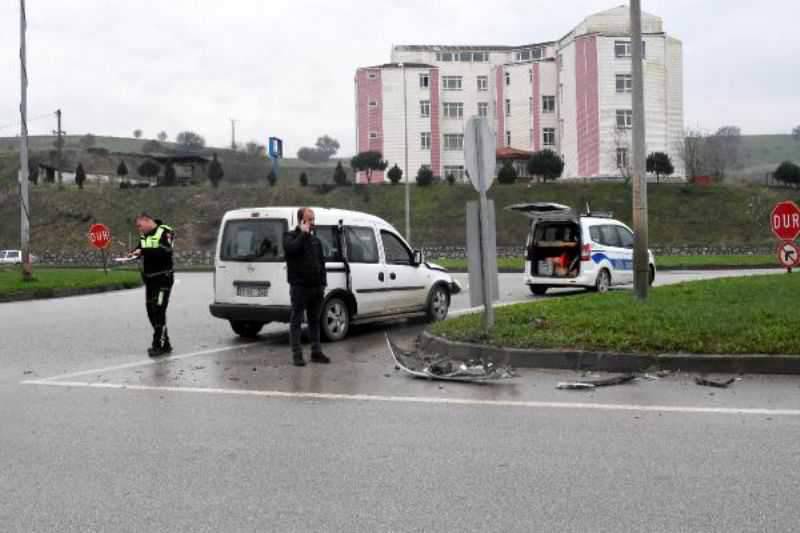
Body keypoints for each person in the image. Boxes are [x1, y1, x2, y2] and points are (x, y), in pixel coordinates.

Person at [283, 207, 330, 367]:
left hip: (316, 287)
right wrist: (302, 234)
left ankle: (316, 352)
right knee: (296, 320)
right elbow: (291, 250)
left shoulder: (315, 240)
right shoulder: (290, 236)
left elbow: (321, 263)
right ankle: (297, 355)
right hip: (299, 287)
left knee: (314, 320)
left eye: (313, 219)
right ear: (301, 220)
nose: (312, 223)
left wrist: (323, 283)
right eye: (309, 220)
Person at [128, 213, 175, 357]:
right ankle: (165, 342)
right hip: (150, 280)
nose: (139, 229)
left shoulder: (166, 231)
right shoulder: (145, 235)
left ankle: (158, 345)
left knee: (159, 309)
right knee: (150, 311)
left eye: (139, 225)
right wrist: (133, 253)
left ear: (147, 221)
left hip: (163, 279)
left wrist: (143, 251)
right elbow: (141, 248)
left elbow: (165, 251)